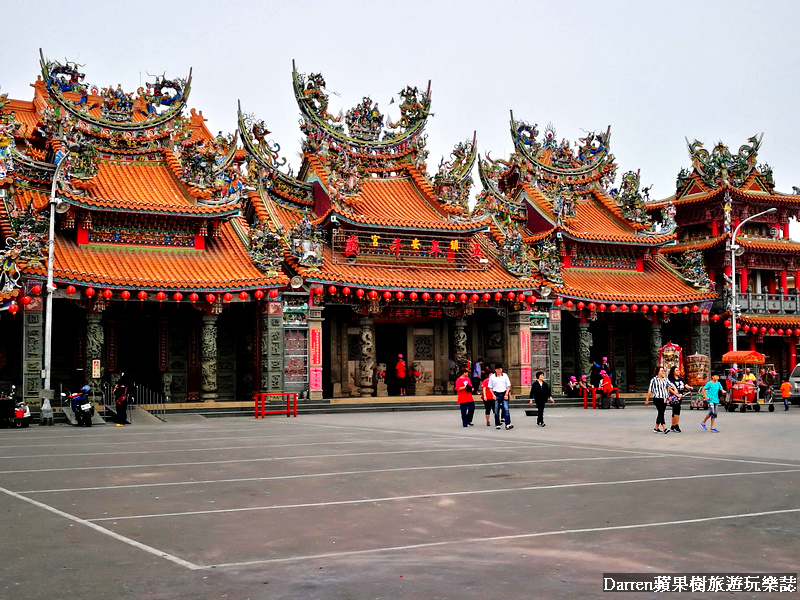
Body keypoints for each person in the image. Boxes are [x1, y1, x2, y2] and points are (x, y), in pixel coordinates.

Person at [644, 365, 678, 434]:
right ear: (658, 372)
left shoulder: (665, 379)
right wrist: (647, 399)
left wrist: (675, 390)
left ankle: (656, 427)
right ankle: (664, 427)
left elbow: (671, 385)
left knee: (661, 413)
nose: (663, 372)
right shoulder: (654, 380)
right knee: (661, 412)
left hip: (664, 398)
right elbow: (650, 390)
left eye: (663, 370)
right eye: (662, 370)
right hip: (657, 398)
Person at [488, 363, 513, 430]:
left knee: (506, 409)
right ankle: (497, 423)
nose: (499, 370)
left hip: (504, 393)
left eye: (500, 369)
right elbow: (490, 387)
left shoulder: (505, 376)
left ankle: (508, 423)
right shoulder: (492, 377)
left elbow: (508, 386)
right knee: (496, 410)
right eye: (498, 369)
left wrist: (506, 394)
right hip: (496, 393)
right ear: (495, 370)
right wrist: (493, 395)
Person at [667, 366, 692, 433]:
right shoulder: (670, 379)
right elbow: (669, 388)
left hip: (680, 395)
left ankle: (673, 425)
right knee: (676, 409)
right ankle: (676, 425)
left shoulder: (681, 379)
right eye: (677, 370)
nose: (678, 371)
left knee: (675, 410)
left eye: (678, 370)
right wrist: (676, 394)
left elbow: (685, 385)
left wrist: (689, 388)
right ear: (673, 372)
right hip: (673, 396)